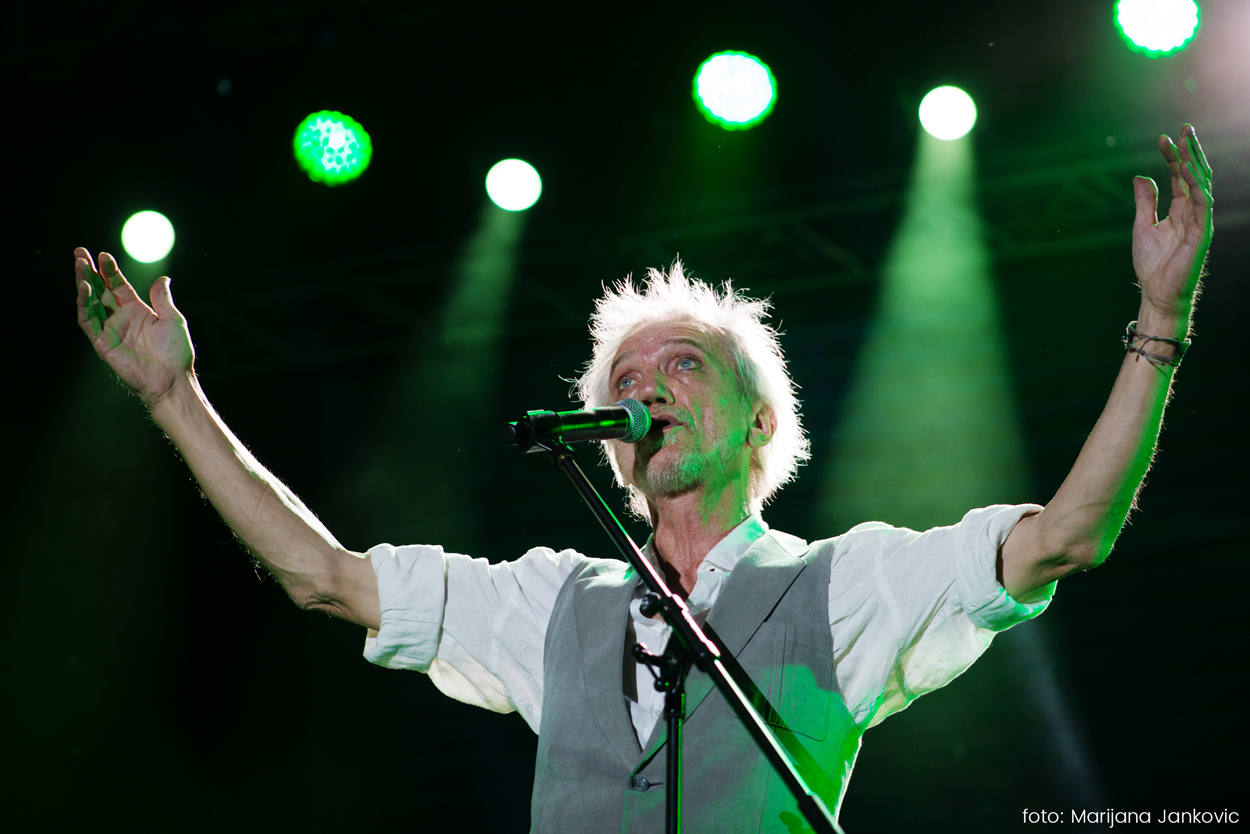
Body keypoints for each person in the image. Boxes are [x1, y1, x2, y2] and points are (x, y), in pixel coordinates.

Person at [74, 125, 1213, 833]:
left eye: (684, 365)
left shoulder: (844, 587)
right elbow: (320, 574)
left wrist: (1159, 320)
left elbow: (1066, 535)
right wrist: (175, 397)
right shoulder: (549, 603)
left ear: (758, 420)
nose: (649, 386)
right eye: (627, 377)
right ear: (609, 438)